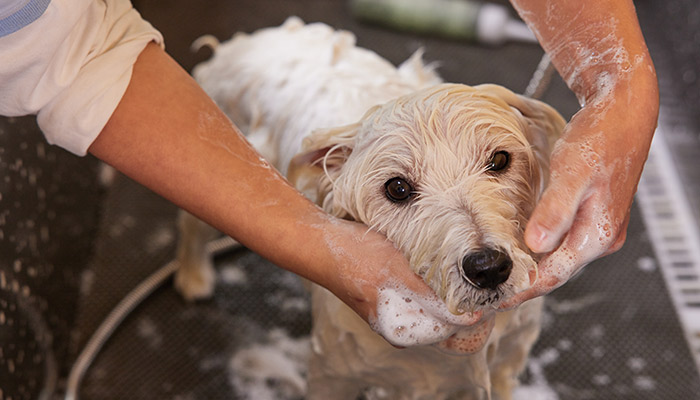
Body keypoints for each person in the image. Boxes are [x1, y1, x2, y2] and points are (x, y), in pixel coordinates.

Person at [0, 0, 658, 342]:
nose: (481, 243)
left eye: (499, 161)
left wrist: (616, 80)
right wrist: (317, 242)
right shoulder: (323, 171)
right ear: (325, 177)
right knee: (198, 220)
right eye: (398, 190)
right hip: (231, 77)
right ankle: (189, 253)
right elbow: (75, 54)